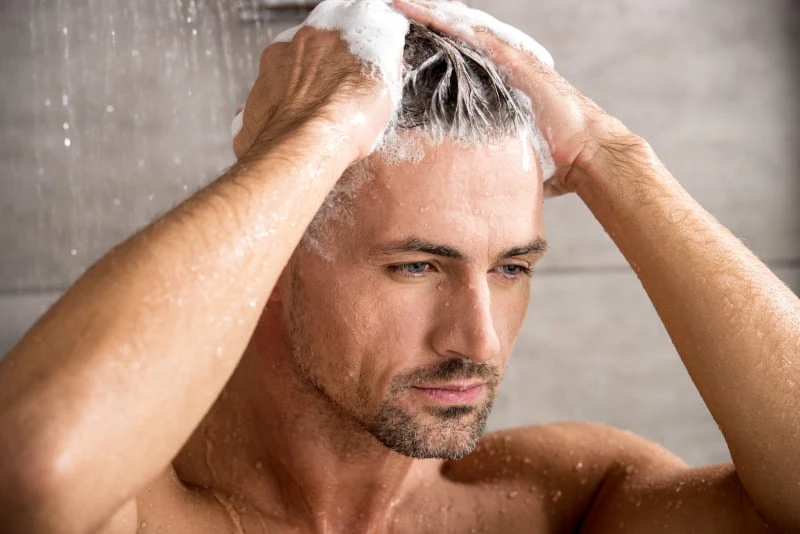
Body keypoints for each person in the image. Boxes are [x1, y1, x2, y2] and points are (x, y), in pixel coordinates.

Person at [0, 0, 798, 532]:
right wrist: (317, 133)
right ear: (278, 257)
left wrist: (607, 155)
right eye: (417, 266)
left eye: (513, 268)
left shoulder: (557, 503)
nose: (478, 339)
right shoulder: (149, 510)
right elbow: (36, 469)